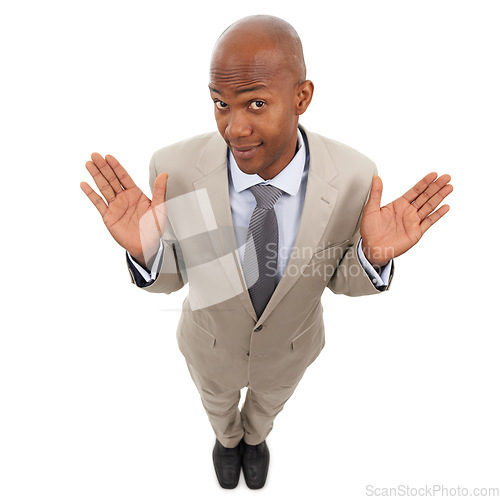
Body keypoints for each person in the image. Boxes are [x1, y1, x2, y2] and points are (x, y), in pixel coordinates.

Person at [80, 15, 453, 490]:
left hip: (290, 349)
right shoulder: (173, 169)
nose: (234, 128)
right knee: (215, 400)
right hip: (209, 344)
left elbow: (338, 279)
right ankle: (226, 438)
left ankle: (255, 438)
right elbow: (176, 276)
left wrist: (373, 258)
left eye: (256, 103)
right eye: (221, 104)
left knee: (270, 401)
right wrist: (150, 254)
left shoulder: (355, 177)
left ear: (302, 97)